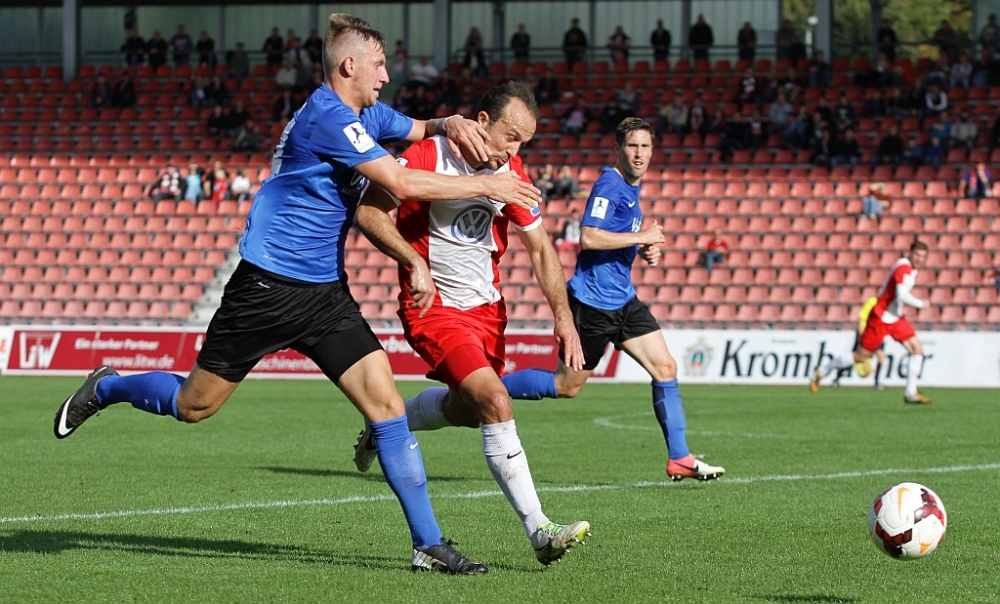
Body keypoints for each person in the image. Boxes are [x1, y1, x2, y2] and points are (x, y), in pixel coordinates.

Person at [52, 13, 539, 575]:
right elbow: (401, 182)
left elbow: (420, 126)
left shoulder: (369, 113)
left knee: (386, 408)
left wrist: (449, 121)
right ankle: (108, 386)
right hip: (266, 286)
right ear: (349, 65)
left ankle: (427, 544)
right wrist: (488, 183)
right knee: (194, 406)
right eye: (380, 65)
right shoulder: (327, 117)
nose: (387, 75)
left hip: (324, 295)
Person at [351, 81, 591, 567]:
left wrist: (564, 318)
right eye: (510, 136)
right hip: (435, 308)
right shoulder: (428, 154)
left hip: (488, 313)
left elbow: (541, 248)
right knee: (496, 401)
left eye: (524, 141)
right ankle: (540, 530)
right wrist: (413, 262)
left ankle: (387, 425)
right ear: (482, 121)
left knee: (468, 411)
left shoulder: (511, 173)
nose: (514, 149)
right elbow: (370, 214)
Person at [499, 117, 726, 482]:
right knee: (566, 386)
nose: (639, 153)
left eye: (645, 146)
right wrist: (641, 237)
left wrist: (644, 248)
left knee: (665, 368)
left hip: (623, 301)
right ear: (619, 149)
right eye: (633, 146)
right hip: (593, 303)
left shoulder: (631, 189)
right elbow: (589, 237)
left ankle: (680, 457)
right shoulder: (610, 185)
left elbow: (618, 237)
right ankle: (489, 387)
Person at [810, 241, 932, 404]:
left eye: (923, 256)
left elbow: (894, 293)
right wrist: (921, 304)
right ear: (910, 253)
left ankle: (910, 393)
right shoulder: (904, 267)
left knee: (917, 349)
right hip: (880, 318)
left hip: (895, 317)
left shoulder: (911, 270)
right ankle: (823, 370)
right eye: (917, 255)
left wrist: (899, 308)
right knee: (860, 356)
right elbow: (901, 294)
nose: (919, 259)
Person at [831, 296, 887, 390]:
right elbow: (862, 317)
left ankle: (877, 382)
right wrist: (861, 334)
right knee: (856, 358)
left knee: (881, 356)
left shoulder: (886, 304)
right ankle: (837, 377)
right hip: (866, 333)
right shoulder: (872, 302)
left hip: (877, 334)